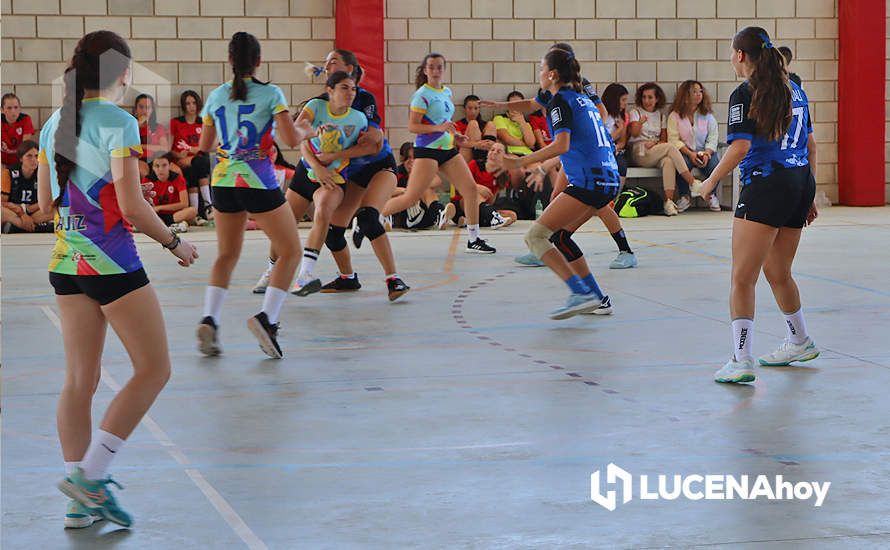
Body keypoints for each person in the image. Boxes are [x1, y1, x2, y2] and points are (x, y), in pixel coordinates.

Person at [38, 30, 198, 529]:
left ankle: (78, 504)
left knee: (79, 381)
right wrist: (175, 242)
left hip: (66, 265)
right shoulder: (121, 123)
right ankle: (91, 477)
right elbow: (131, 206)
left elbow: (45, 207)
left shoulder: (52, 125)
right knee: (154, 369)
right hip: (111, 264)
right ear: (121, 74)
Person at [700, 27, 819, 384]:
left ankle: (741, 359)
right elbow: (811, 145)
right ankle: (799, 339)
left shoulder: (746, 93)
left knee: (742, 278)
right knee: (778, 272)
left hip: (767, 185)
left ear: (739, 55)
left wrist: (709, 181)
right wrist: (809, 194)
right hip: (799, 182)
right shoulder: (794, 89)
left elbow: (739, 148)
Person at [257, 49, 410, 301]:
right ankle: (347, 278)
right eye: (325, 63)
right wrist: (319, 159)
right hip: (342, 171)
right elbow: (300, 136)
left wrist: (336, 154)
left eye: (332, 62)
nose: (325, 65)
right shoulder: (319, 103)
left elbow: (374, 142)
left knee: (369, 218)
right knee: (332, 231)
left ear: (350, 69)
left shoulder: (362, 104)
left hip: (375, 166)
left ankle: (393, 278)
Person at [196, 32, 312, 359]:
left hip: (223, 180)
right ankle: (268, 319)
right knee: (290, 251)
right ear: (258, 61)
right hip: (257, 180)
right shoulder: (271, 93)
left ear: (230, 60)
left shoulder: (217, 96)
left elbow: (205, 145)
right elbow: (290, 138)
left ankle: (210, 318)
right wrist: (308, 129)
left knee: (226, 255)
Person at [483, 42, 637, 270]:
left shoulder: (580, 86)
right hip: (571, 149)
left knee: (599, 203)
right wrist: (500, 105)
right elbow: (533, 104)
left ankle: (625, 250)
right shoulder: (554, 90)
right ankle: (544, 246)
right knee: (557, 194)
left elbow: (601, 112)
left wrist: (596, 139)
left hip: (586, 150)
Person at [488, 47, 614, 319]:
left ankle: (579, 293)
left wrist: (520, 162)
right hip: (606, 177)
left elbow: (562, 144)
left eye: (541, 68)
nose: (540, 73)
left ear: (553, 73)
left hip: (589, 181)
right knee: (559, 235)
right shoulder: (579, 97)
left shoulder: (560, 101)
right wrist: (502, 107)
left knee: (535, 236)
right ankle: (597, 298)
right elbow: (534, 104)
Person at [381, 52, 496, 254]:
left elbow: (446, 123)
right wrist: (439, 129)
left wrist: (456, 136)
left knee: (469, 190)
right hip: (427, 151)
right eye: (431, 67)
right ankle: (370, 217)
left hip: (448, 149)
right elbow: (413, 126)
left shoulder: (446, 92)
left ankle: (474, 239)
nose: (435, 71)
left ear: (444, 69)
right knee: (410, 197)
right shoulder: (421, 95)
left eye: (439, 67)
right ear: (425, 70)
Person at [289, 71, 372, 296]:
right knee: (286, 225)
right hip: (306, 172)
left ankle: (305, 274)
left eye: (353, 88)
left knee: (324, 210)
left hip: (334, 178)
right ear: (330, 90)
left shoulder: (359, 119)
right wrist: (317, 166)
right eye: (344, 87)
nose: (351, 93)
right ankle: (270, 271)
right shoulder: (316, 107)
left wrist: (342, 155)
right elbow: (300, 137)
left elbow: (366, 148)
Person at [627, 82, 702, 216]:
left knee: (668, 161)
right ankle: (693, 182)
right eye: (644, 97)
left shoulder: (661, 116)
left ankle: (668, 202)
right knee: (670, 147)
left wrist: (655, 142)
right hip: (639, 151)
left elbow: (663, 140)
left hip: (655, 151)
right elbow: (633, 133)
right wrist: (640, 123)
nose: (646, 101)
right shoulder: (635, 112)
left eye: (650, 97)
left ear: (657, 99)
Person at [667, 80, 721, 212]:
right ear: (685, 95)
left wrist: (707, 153)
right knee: (681, 164)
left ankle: (709, 194)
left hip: (705, 151)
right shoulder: (674, 116)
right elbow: (673, 139)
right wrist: (690, 154)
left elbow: (713, 137)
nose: (698, 94)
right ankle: (684, 197)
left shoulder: (707, 116)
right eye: (694, 92)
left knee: (716, 165)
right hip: (685, 152)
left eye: (700, 91)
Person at [169, 90, 212, 219]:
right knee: (197, 165)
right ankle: (207, 206)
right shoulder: (176, 122)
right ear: (183, 105)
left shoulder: (203, 122)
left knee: (200, 163)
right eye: (188, 103)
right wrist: (178, 155)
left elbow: (208, 145)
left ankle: (200, 211)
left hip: (197, 159)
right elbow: (169, 148)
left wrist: (193, 150)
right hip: (181, 161)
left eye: (194, 103)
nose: (191, 106)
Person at [1, 140, 54, 232]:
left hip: (34, 213)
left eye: (37, 156)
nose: (34, 159)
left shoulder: (43, 173)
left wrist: (29, 209)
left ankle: (19, 227)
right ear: (21, 158)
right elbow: (2, 202)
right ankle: (36, 227)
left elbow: (50, 199)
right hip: (15, 213)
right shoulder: (8, 173)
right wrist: (21, 213)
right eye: (29, 156)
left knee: (56, 207)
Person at [143, 153, 198, 232]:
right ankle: (174, 225)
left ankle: (166, 226)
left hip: (175, 215)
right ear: (153, 167)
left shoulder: (178, 178)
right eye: (157, 166)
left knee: (192, 211)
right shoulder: (148, 180)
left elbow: (184, 203)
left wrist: (159, 208)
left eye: (164, 165)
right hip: (156, 215)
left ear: (170, 165)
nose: (161, 169)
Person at [132, 94, 169, 179]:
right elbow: (127, 147)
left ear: (152, 110)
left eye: (148, 108)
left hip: (157, 159)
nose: (144, 111)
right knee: (144, 173)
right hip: (139, 159)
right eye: (141, 107)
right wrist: (138, 124)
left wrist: (142, 146)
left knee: (176, 170)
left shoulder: (158, 127)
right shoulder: (130, 127)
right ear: (136, 109)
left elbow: (164, 148)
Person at [454, 94, 496, 163]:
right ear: (464, 108)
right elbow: (457, 143)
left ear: (479, 109)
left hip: (486, 157)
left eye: (476, 108)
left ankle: (482, 162)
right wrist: (477, 144)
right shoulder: (458, 124)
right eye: (470, 108)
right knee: (473, 124)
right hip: (464, 157)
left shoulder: (486, 125)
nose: (473, 112)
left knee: (491, 124)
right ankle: (479, 163)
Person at [1, 93, 35, 166]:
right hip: (2, 163)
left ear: (20, 108)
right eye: (9, 108)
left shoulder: (25, 119)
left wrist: (10, 151)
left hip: (20, 161)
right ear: (2, 110)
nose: (13, 111)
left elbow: (25, 147)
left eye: (16, 107)